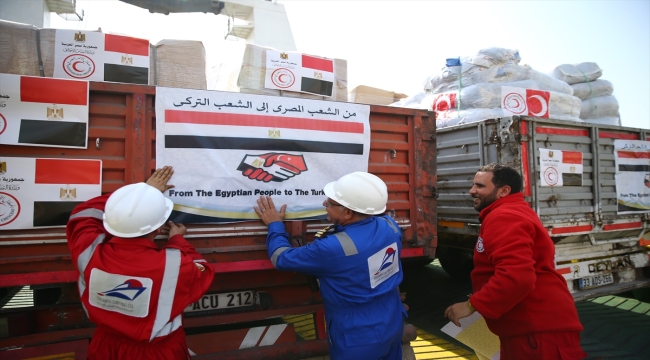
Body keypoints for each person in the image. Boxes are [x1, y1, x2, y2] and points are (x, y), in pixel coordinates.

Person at [254, 171, 407, 360]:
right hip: (392, 317)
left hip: (358, 333)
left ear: (348, 212)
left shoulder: (333, 247)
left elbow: (281, 258)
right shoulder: (389, 225)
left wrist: (275, 225)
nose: (324, 204)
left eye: (330, 202)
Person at [66, 166, 214, 359]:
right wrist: (177, 240)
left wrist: (143, 191)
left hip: (105, 347)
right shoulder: (175, 264)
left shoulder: (88, 250)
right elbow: (204, 271)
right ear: (160, 228)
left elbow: (84, 213)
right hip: (157, 352)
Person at [444, 163, 587, 360]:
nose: (472, 191)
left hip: (535, 331)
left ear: (503, 191)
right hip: (534, 328)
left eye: (479, 186)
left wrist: (471, 305)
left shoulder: (504, 217)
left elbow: (517, 277)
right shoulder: (514, 210)